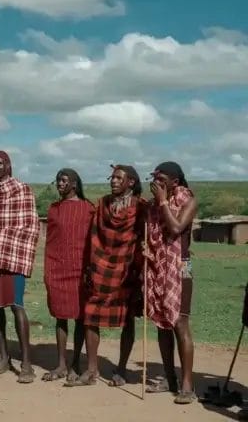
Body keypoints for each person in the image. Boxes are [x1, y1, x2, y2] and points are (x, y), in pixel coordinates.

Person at [66, 165, 146, 387]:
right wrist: (91, 266)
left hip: (127, 269)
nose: (113, 181)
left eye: (119, 178)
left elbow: (145, 236)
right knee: (90, 315)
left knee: (127, 319)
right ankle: (92, 370)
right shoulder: (103, 204)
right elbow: (93, 236)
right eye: (112, 177)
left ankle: (121, 368)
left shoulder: (141, 207)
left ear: (131, 182)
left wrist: (142, 257)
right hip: (101, 267)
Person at [0, 151, 39, 383]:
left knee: (16, 305)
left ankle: (27, 364)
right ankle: (3, 357)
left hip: (14, 256)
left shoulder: (22, 190)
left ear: (8, 165)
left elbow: (29, 226)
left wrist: (2, 238)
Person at [145, 161, 197, 404]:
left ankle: (187, 385)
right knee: (162, 324)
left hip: (181, 265)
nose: (157, 183)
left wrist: (164, 201)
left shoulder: (188, 200)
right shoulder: (154, 206)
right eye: (155, 178)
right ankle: (170, 378)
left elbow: (175, 228)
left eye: (162, 179)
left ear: (175, 182)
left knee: (180, 322)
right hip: (159, 267)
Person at [42, 168, 94, 382]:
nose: (59, 183)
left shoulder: (88, 209)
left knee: (81, 318)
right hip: (57, 268)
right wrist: (48, 269)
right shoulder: (54, 209)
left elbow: (92, 240)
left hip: (79, 269)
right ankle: (61, 364)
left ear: (74, 184)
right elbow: (51, 240)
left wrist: (90, 269)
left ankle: (75, 364)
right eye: (57, 180)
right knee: (60, 318)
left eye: (64, 180)